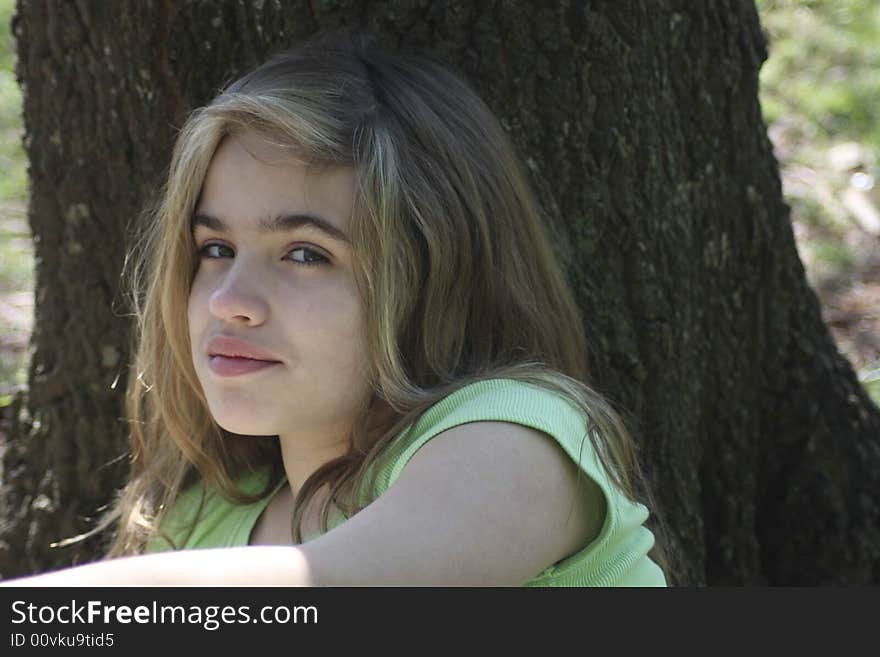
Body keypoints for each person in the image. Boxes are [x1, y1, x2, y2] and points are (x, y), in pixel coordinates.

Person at [5, 31, 671, 586]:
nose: (229, 301)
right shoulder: (197, 526)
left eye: (304, 254)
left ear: (434, 274)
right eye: (215, 247)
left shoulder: (517, 435)